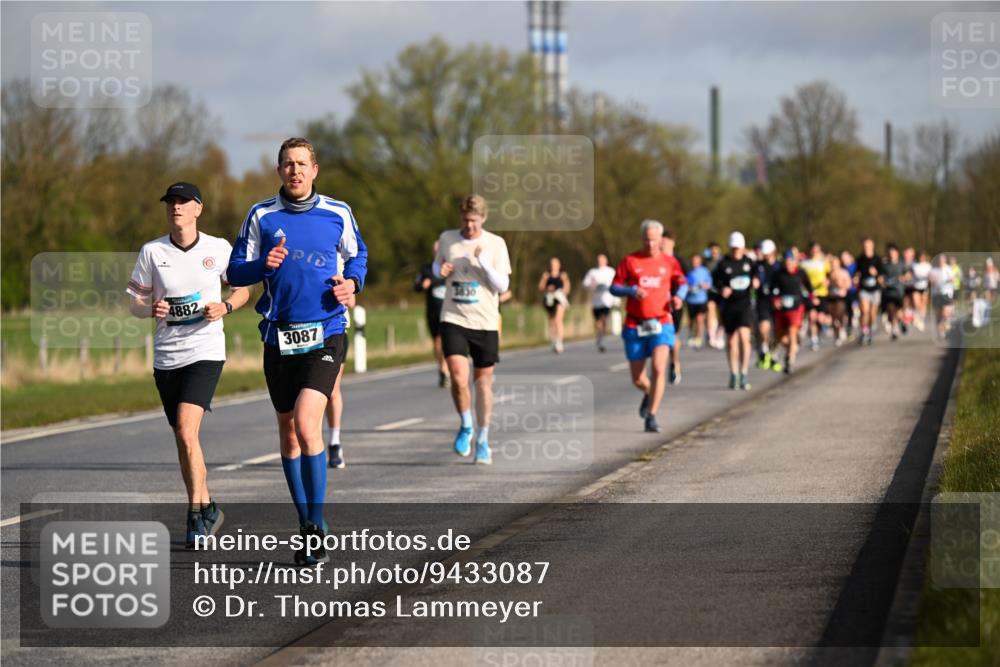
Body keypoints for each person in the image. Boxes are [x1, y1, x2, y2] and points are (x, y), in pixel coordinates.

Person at [228, 137, 367, 566]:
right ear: (279, 171)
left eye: (302, 164)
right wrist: (262, 266)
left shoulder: (337, 212)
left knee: (309, 426)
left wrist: (353, 283)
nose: (295, 171)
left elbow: (358, 255)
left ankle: (315, 526)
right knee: (288, 434)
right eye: (288, 164)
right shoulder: (261, 215)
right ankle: (305, 520)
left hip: (326, 331)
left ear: (315, 169)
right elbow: (235, 270)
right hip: (278, 336)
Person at [127, 182, 250, 548]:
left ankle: (195, 517)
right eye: (170, 203)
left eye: (182, 202)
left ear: (198, 208)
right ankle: (209, 506)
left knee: (185, 430)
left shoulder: (219, 248)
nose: (175, 208)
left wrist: (225, 307)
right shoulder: (152, 252)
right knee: (185, 440)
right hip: (167, 355)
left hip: (205, 351)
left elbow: (242, 289)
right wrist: (149, 309)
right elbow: (134, 300)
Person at [434, 194, 512, 465]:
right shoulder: (448, 239)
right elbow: (436, 266)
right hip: (454, 317)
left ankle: (483, 439)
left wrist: (484, 263)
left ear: (483, 218)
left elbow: (502, 286)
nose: (469, 226)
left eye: (474, 221)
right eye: (465, 220)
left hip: (486, 322)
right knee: (457, 376)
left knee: (483, 385)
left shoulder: (495, 244)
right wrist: (439, 269)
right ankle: (466, 424)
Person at [610, 219, 687, 433]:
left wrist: (679, 298)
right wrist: (631, 290)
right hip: (635, 325)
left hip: (662, 322)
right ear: (641, 239)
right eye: (646, 240)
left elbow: (682, 283)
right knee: (638, 378)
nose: (650, 244)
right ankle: (648, 392)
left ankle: (652, 416)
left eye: (654, 240)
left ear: (660, 240)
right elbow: (614, 288)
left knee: (659, 368)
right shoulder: (630, 261)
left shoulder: (669, 262)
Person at [712, 231, 759, 390]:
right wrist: (722, 288)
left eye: (738, 248)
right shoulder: (723, 264)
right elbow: (715, 282)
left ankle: (744, 373)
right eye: (733, 249)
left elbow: (758, 276)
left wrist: (756, 281)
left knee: (745, 338)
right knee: (732, 342)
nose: (736, 252)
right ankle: (734, 374)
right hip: (729, 306)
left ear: (743, 247)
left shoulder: (749, 262)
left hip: (745, 304)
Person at [768, 248, 815, 374]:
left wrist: (812, 299)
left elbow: (809, 289)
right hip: (781, 309)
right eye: (786, 262)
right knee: (781, 337)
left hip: (796, 308)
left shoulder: (801, 273)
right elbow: (772, 290)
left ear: (795, 262)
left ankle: (790, 360)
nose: (789, 264)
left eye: (791, 261)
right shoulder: (778, 274)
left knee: (792, 332)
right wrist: (775, 300)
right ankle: (789, 348)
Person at [414, 242, 449, 386]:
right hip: (433, 312)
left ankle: (448, 369)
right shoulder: (427, 269)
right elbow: (415, 286)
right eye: (435, 251)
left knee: (446, 341)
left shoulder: (451, 269)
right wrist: (423, 285)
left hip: (450, 313)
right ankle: (442, 370)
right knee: (438, 342)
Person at [660, 232, 689, 384]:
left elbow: (686, 281)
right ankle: (658, 368)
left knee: (673, 336)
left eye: (666, 241)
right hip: (657, 304)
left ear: (673, 243)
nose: (663, 244)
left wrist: (679, 297)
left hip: (674, 303)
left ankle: (674, 362)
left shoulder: (679, 261)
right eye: (661, 241)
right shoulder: (655, 259)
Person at [754, 239, 781, 370]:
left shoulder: (779, 266)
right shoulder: (758, 266)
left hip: (777, 301)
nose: (765, 256)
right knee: (763, 328)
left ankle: (774, 356)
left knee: (777, 332)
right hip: (762, 300)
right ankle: (764, 351)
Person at [581, 253, 616, 352]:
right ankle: (599, 337)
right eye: (598, 260)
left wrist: (615, 298)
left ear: (606, 261)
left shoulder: (611, 271)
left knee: (604, 320)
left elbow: (616, 283)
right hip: (596, 301)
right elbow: (585, 283)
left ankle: (602, 340)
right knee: (598, 322)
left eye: (602, 260)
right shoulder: (592, 272)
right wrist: (591, 284)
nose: (600, 262)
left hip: (606, 300)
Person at [800, 242, 830, 351]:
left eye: (817, 250)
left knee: (820, 318)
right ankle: (814, 339)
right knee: (812, 317)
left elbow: (829, 275)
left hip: (822, 292)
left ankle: (820, 330)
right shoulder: (804, 263)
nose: (815, 252)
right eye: (813, 250)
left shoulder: (824, 262)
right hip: (810, 294)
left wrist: (827, 281)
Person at [854, 238, 883, 346]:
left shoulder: (878, 259)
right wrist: (856, 277)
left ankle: (870, 330)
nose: (866, 248)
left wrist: (876, 273)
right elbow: (857, 272)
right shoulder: (860, 259)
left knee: (872, 313)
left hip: (875, 290)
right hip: (863, 289)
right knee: (864, 311)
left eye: (868, 246)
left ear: (872, 246)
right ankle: (863, 331)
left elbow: (882, 274)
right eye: (865, 246)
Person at [538, 257, 571, 354]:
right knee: (552, 321)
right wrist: (547, 285)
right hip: (549, 299)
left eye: (555, 264)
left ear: (559, 265)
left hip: (559, 298)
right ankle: (554, 341)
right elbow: (540, 288)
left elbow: (567, 287)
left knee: (558, 320)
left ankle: (560, 342)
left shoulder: (563, 275)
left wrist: (561, 291)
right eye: (552, 264)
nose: (553, 266)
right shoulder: (546, 275)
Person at [685, 253, 712, 349]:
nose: (694, 262)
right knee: (691, 320)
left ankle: (699, 338)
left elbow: (709, 283)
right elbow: (684, 283)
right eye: (693, 261)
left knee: (700, 319)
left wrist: (705, 285)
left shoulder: (704, 271)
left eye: (696, 261)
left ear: (699, 262)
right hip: (691, 299)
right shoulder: (688, 271)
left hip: (701, 299)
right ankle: (691, 335)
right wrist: (688, 288)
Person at [881, 244, 907, 341]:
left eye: (893, 253)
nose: (891, 255)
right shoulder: (884, 265)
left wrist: (904, 278)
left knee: (899, 312)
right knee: (890, 310)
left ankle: (900, 322)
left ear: (897, 253)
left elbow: (908, 275)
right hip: (888, 292)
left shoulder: (901, 264)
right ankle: (894, 329)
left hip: (899, 292)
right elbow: (881, 277)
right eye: (890, 253)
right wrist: (882, 281)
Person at [827, 255, 852, 346]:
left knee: (839, 316)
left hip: (840, 298)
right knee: (833, 319)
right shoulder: (828, 273)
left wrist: (841, 285)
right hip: (830, 297)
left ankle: (842, 328)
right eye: (832, 263)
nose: (833, 265)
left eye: (835, 263)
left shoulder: (843, 272)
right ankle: (836, 336)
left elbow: (849, 284)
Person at [930, 254, 956, 339]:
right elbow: (930, 279)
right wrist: (933, 281)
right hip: (936, 293)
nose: (941, 261)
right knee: (938, 314)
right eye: (939, 260)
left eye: (942, 260)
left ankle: (946, 322)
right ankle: (940, 331)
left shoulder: (948, 269)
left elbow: (953, 279)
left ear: (945, 260)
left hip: (946, 292)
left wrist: (950, 280)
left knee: (945, 312)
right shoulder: (934, 270)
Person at [910, 251, 933, 331]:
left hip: (924, 287)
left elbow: (930, 275)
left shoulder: (928, 266)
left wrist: (930, 279)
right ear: (918, 257)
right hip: (916, 287)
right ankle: (916, 318)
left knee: (923, 305)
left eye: (923, 257)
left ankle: (921, 320)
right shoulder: (914, 265)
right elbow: (912, 274)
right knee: (917, 304)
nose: (922, 258)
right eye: (920, 257)